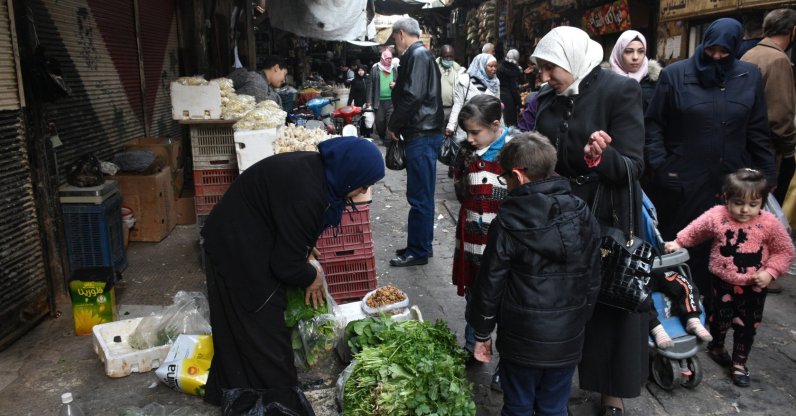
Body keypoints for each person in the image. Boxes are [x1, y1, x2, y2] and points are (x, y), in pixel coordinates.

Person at [201, 137, 385, 411]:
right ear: (350, 171)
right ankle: (278, 403)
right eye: (364, 183)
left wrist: (305, 248)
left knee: (236, 327)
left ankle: (234, 391)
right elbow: (285, 265)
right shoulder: (309, 191)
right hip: (235, 246)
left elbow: (288, 222)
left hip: (240, 235)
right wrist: (312, 277)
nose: (363, 190)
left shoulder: (317, 173)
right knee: (264, 325)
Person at [531, 26, 647, 415]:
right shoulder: (547, 99)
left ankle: (610, 391)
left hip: (605, 212)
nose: (546, 78)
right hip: (559, 212)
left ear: (572, 60)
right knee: (557, 300)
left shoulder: (619, 91)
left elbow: (633, 165)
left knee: (608, 301)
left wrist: (603, 157)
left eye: (551, 69)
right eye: (542, 69)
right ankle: (551, 375)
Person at [645, 18, 776, 315]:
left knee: (723, 249)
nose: (716, 57)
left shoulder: (749, 76)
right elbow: (654, 125)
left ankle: (713, 315)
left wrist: (767, 176)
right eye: (711, 50)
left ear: (734, 49)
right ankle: (675, 306)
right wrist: (661, 165)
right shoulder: (676, 75)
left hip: (730, 184)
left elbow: (758, 131)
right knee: (678, 243)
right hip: (682, 179)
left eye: (724, 52)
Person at [467, 132, 601, 416]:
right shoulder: (581, 211)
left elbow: (490, 282)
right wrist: (580, 317)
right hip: (568, 337)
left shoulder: (507, 221)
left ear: (518, 175)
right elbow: (593, 275)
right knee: (554, 406)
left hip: (521, 340)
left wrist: (482, 331)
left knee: (518, 405)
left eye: (506, 178)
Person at [663, 168, 794, 387]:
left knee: (748, 325)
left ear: (762, 202)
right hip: (722, 281)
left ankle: (739, 363)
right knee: (720, 319)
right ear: (726, 199)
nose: (744, 210)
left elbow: (785, 250)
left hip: (753, 286)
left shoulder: (769, 223)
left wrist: (770, 272)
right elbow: (697, 230)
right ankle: (716, 346)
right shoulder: (717, 215)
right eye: (738, 203)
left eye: (753, 204)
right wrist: (678, 242)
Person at [450, 94, 513, 354]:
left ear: (495, 125)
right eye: (467, 132)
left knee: (506, 300)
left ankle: (507, 359)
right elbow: (461, 191)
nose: (470, 138)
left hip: (505, 243)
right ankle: (472, 347)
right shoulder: (467, 152)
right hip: (473, 239)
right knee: (475, 297)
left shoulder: (516, 150)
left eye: (475, 132)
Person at [387, 16, 445, 267]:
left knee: (419, 196)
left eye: (394, 37)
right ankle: (421, 245)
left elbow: (412, 95)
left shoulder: (418, 55)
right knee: (423, 194)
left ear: (401, 34)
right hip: (424, 132)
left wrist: (393, 124)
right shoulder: (420, 55)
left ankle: (418, 250)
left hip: (422, 133)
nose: (394, 42)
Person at [742, 9, 796, 206]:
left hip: (745, 149)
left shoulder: (750, 53)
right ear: (793, 31)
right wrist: (790, 151)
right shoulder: (778, 60)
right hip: (768, 154)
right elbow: (780, 118)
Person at [446, 53, 500, 144]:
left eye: (495, 66)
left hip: (486, 130)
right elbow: (458, 104)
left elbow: (497, 106)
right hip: (466, 129)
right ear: (481, 65)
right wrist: (451, 126)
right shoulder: (465, 81)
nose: (494, 69)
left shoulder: (495, 83)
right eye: (490, 66)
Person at [608, 30, 662, 112]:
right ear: (619, 53)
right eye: (629, 51)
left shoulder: (657, 82)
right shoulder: (604, 82)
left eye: (641, 51)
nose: (635, 57)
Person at [368, 50, 398, 145]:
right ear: (383, 58)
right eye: (387, 58)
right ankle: (381, 135)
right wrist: (369, 101)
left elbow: (399, 82)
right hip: (379, 101)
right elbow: (370, 85)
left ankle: (387, 141)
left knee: (390, 121)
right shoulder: (375, 68)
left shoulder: (394, 69)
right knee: (380, 122)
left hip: (391, 100)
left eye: (390, 58)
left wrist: (396, 84)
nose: (389, 60)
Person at [437, 44, 464, 122]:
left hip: (453, 109)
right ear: (441, 57)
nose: (449, 59)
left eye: (451, 57)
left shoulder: (458, 70)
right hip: (438, 108)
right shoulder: (434, 68)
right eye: (446, 56)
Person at [497, 49, 523, 126]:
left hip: (499, 96)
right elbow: (514, 89)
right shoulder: (513, 69)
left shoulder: (500, 66)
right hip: (509, 100)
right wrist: (520, 104)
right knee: (510, 123)